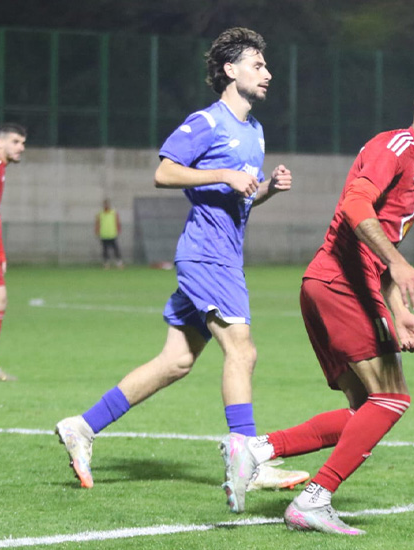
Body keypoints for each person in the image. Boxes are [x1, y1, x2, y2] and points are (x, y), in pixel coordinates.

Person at [55, 27, 309, 492]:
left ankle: (82, 426)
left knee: (175, 361)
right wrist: (224, 173)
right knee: (242, 350)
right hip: (207, 257)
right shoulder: (207, 122)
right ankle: (247, 460)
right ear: (230, 70)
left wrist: (267, 188)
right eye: (257, 65)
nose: (268, 73)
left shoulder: (254, 131)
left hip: (222, 256)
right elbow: (164, 172)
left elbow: (241, 196)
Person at [219, 74, 414, 534]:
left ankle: (256, 450)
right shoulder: (396, 148)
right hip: (341, 285)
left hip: (335, 284)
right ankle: (313, 500)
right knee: (392, 399)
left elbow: (376, 247)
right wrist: (398, 264)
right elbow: (356, 206)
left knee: (366, 410)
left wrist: (398, 311)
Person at [0, 123, 27, 382]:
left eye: (22, 143)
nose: (21, 147)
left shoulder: (0, 169)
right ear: (0, 142)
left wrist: (0, 253)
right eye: (15, 142)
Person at [96, 198, 123, 269]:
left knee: (116, 249)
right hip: (104, 234)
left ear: (109, 205)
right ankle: (106, 263)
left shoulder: (113, 213)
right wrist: (97, 231)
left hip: (112, 234)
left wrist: (118, 229)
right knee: (105, 250)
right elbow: (98, 223)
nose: (106, 206)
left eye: (107, 204)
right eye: (105, 204)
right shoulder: (100, 213)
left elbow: (117, 222)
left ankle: (119, 263)